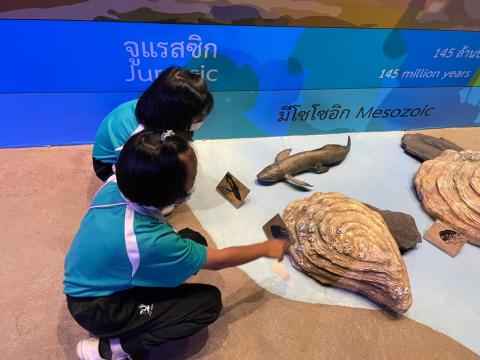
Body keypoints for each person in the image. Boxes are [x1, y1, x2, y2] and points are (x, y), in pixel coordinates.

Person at [65, 130, 288, 360]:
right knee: (207, 304)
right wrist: (266, 248)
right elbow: (220, 260)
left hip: (102, 277)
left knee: (193, 239)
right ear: (170, 194)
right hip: (99, 309)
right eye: (191, 180)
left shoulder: (114, 185)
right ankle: (113, 349)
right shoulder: (151, 242)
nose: (194, 183)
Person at [92, 66, 214, 182]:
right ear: (175, 115)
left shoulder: (156, 106)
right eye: (196, 116)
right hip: (110, 167)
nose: (201, 119)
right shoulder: (133, 134)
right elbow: (132, 170)